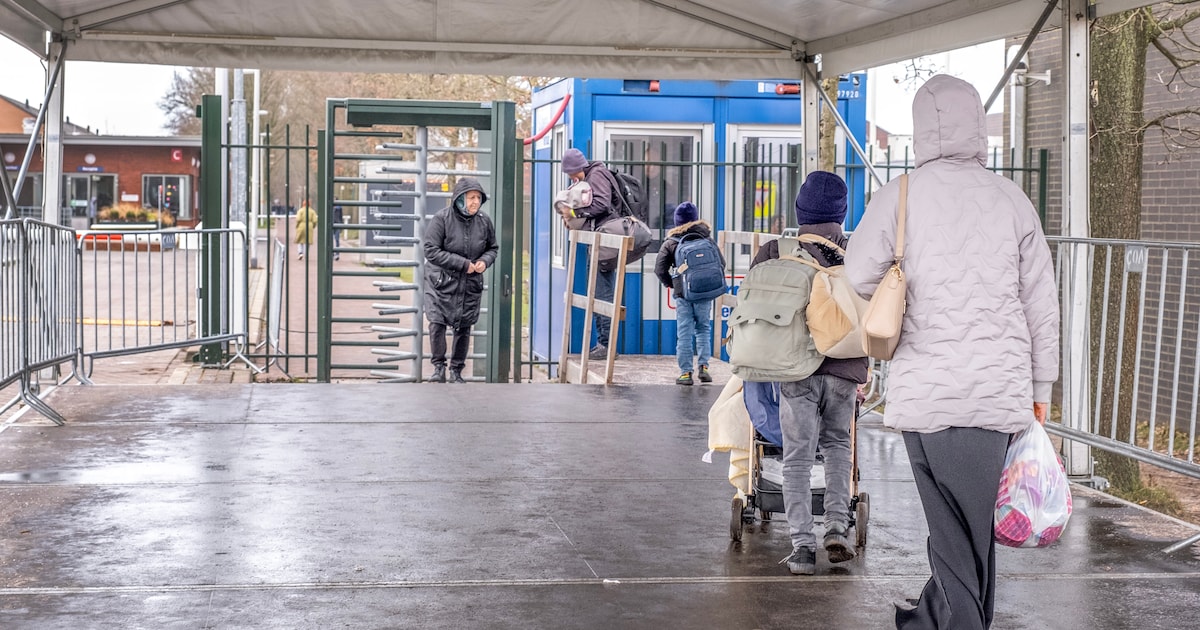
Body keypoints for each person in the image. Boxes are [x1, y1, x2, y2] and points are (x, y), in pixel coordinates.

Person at [844, 75, 1059, 629]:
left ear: (921, 131)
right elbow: (1042, 304)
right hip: (998, 394)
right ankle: (944, 618)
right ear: (976, 126)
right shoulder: (1012, 199)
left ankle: (951, 621)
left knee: (951, 530)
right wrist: (1041, 390)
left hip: (927, 393)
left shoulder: (901, 195)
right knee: (972, 530)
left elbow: (860, 272)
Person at [750, 171, 869, 576]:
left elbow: (756, 309)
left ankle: (802, 547)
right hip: (845, 369)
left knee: (797, 457)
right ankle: (837, 526)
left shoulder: (775, 251)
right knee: (838, 447)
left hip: (793, 369)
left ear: (800, 209)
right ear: (842, 211)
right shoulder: (858, 254)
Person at [422, 177, 498, 383]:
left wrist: (484, 261)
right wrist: (463, 263)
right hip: (441, 284)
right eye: (471, 197)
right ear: (459, 199)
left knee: (464, 326)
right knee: (436, 323)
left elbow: (493, 248)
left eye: (478, 197)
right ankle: (438, 368)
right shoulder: (441, 219)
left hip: (469, 284)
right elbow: (430, 250)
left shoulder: (484, 221)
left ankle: (457, 371)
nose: (475, 201)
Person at [557, 147, 619, 360]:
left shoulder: (597, 175)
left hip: (605, 242)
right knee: (597, 291)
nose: (572, 177)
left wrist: (574, 213)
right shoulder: (588, 177)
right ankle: (603, 342)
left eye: (572, 173)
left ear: (579, 167)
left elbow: (601, 204)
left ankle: (606, 344)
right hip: (597, 240)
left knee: (602, 292)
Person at [653, 201, 724, 386]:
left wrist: (673, 284)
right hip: (704, 293)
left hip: (684, 295)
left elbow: (659, 269)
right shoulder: (707, 239)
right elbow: (721, 264)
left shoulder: (671, 242)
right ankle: (704, 367)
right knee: (703, 328)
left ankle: (685, 373)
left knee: (684, 331)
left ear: (677, 221)